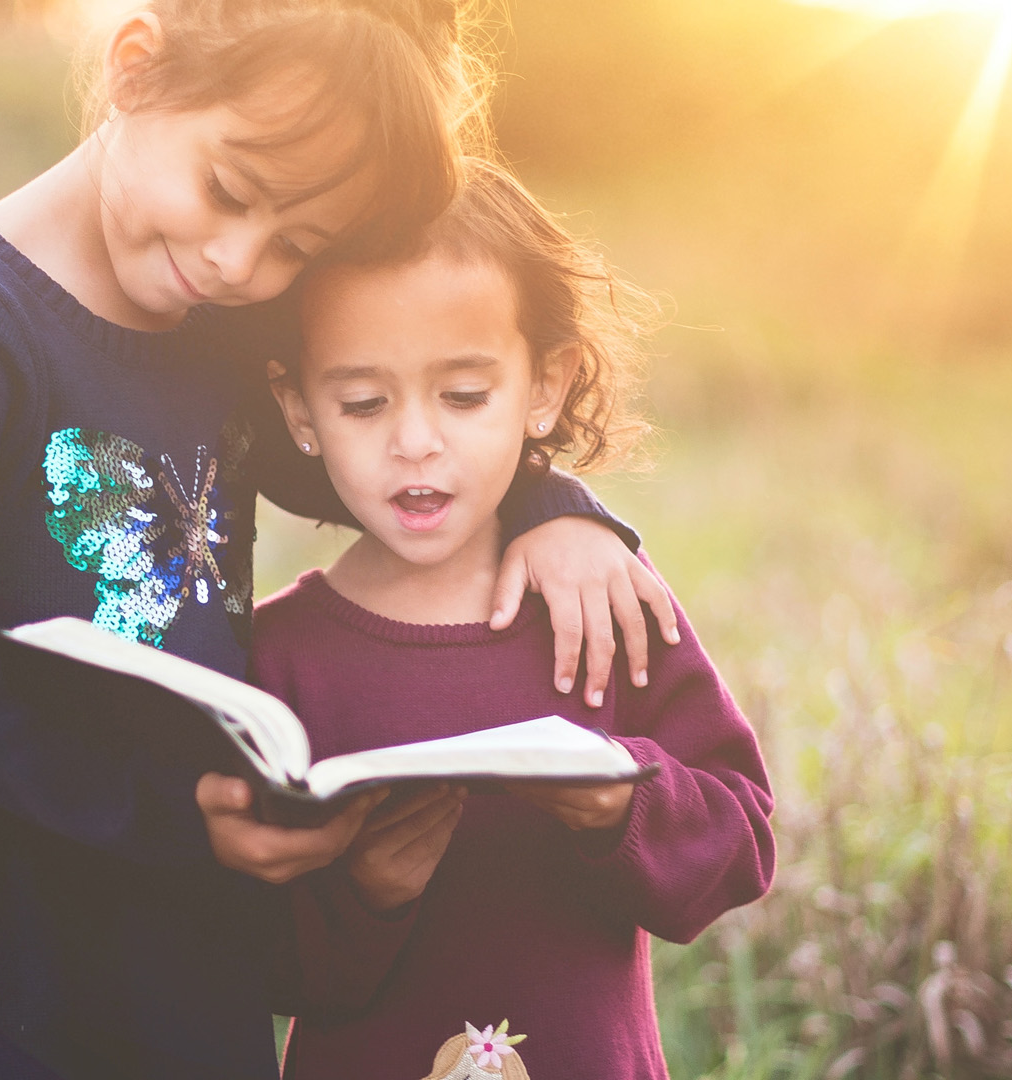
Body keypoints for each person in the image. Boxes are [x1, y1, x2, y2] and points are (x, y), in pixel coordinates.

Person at [0, 4, 680, 1078]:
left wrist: (561, 513)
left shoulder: (215, 332)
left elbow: (393, 473)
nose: (239, 261)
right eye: (229, 192)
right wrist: (175, 821)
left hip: (181, 910)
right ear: (136, 68)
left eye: (297, 247)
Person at [256, 159, 776, 1079]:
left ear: (543, 386)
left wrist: (624, 798)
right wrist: (364, 892)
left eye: (463, 396)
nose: (415, 440)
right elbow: (252, 959)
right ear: (299, 407)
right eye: (363, 402)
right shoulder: (280, 658)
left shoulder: (598, 601)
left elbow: (741, 843)